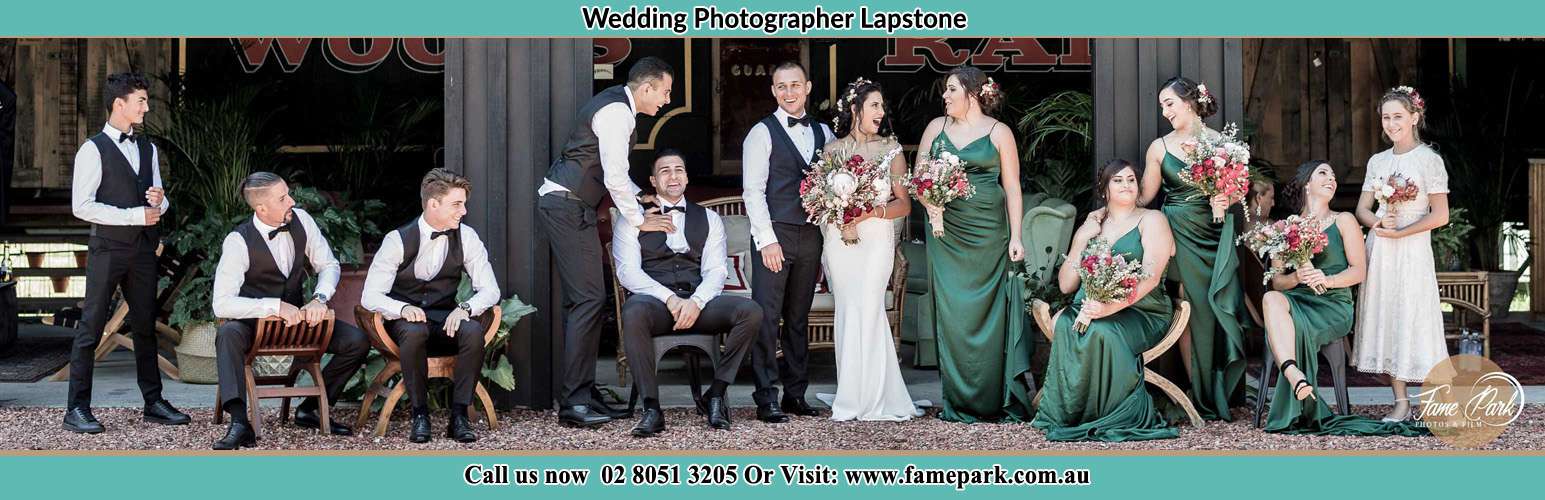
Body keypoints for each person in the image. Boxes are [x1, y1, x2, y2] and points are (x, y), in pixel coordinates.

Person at [536, 56, 676, 427]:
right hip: (566, 206)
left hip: (570, 205)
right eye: (664, 92)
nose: (665, 100)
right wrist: (640, 220)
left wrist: (638, 195)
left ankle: (580, 391)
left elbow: (616, 175)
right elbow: (614, 174)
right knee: (589, 299)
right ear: (646, 88)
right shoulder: (618, 113)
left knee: (582, 302)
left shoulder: (616, 104)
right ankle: (574, 404)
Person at [65, 72, 189, 433]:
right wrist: (134, 214)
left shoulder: (147, 148)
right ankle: (76, 408)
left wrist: (160, 201)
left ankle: (153, 401)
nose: (146, 107)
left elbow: (160, 200)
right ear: (119, 104)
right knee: (91, 326)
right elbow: (81, 206)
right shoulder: (92, 149)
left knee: (145, 327)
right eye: (141, 101)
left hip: (143, 251)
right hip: (107, 249)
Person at [209, 172, 370, 450]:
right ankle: (239, 423)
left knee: (357, 342)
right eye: (283, 198)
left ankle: (311, 409)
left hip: (298, 321)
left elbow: (329, 265)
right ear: (261, 208)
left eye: (289, 194)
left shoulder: (302, 221)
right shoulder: (237, 241)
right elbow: (221, 303)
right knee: (227, 333)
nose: (292, 202)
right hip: (253, 326)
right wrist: (273, 307)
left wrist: (320, 298)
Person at [1262, 161, 1424, 436]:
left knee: (1282, 314)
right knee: (1271, 298)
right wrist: (1297, 278)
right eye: (1323, 173)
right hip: (1298, 299)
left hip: (1333, 304)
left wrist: (1327, 279)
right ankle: (1293, 374)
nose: (1332, 179)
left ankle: (1291, 375)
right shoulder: (1285, 228)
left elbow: (1360, 272)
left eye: (1334, 175)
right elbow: (1278, 280)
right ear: (1306, 184)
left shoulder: (1344, 220)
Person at [612, 150, 760, 437]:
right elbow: (628, 273)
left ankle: (715, 394)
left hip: (697, 302)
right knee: (633, 311)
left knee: (750, 312)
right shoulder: (632, 220)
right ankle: (652, 408)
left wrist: (696, 302)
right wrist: (670, 299)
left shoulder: (709, 218)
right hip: (656, 305)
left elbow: (716, 271)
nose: (673, 176)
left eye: (679, 169)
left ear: (687, 177)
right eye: (665, 171)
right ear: (654, 181)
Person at [915, 66, 1032, 423]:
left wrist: (1016, 236)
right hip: (945, 233)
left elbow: (1012, 187)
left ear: (973, 93)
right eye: (944, 91)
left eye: (951, 90)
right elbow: (919, 176)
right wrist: (930, 203)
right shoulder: (936, 128)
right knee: (953, 314)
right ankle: (958, 399)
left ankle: (995, 397)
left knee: (990, 312)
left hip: (988, 233)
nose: (945, 97)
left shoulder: (999, 133)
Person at [1032, 159, 1178, 442]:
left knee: (1102, 330)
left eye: (1131, 180)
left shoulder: (1152, 220)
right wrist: (1081, 239)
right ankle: (1077, 413)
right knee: (1068, 325)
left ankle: (1112, 415)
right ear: (1105, 189)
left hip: (1143, 311)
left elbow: (1149, 278)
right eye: (1118, 180)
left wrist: (1109, 307)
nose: (1126, 185)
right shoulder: (1093, 224)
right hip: (1090, 306)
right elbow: (1066, 284)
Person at [1132, 77, 1247, 421]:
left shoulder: (1224, 144)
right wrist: (1109, 206)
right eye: (1161, 106)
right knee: (1189, 305)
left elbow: (1241, 192)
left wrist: (1228, 197)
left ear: (1191, 102)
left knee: (1218, 304)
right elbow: (1144, 198)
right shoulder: (1159, 148)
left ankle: (1220, 389)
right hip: (1179, 232)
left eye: (1169, 103)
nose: (1164, 112)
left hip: (1216, 232)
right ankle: (1197, 393)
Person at [363, 169, 501, 443]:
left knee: (472, 331)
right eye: (456, 204)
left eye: (464, 203)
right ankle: (419, 415)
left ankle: (459, 415)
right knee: (414, 332)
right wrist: (401, 309)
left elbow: (490, 289)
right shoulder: (397, 240)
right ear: (433, 203)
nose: (463, 211)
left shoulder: (467, 237)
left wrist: (465, 308)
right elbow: (370, 296)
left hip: (444, 318)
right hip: (404, 324)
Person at [814, 78, 916, 422]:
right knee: (847, 309)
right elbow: (819, 201)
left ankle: (875, 396)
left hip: (875, 239)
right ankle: (851, 393)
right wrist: (838, 215)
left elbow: (904, 205)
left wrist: (870, 212)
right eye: (875, 105)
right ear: (856, 110)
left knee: (870, 308)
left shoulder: (892, 150)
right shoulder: (832, 151)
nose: (881, 112)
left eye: (882, 106)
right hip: (839, 240)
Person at [740, 61, 834, 421]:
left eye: (795, 85)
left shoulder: (825, 133)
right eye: (781, 86)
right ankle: (766, 397)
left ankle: (796, 394)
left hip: (811, 235)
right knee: (766, 317)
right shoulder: (761, 133)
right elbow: (752, 191)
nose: (789, 93)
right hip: (774, 234)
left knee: (798, 318)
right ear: (773, 91)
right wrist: (767, 240)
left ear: (807, 87)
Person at [1352, 86, 1451, 422]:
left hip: (1413, 247)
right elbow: (1362, 209)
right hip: (1382, 249)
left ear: (1414, 117)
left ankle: (1433, 401)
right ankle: (1401, 402)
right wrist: (1379, 223)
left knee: (1416, 315)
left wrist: (1402, 232)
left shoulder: (1429, 160)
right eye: (1386, 117)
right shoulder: (1378, 161)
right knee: (1389, 316)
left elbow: (1440, 215)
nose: (1391, 123)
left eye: (1398, 116)